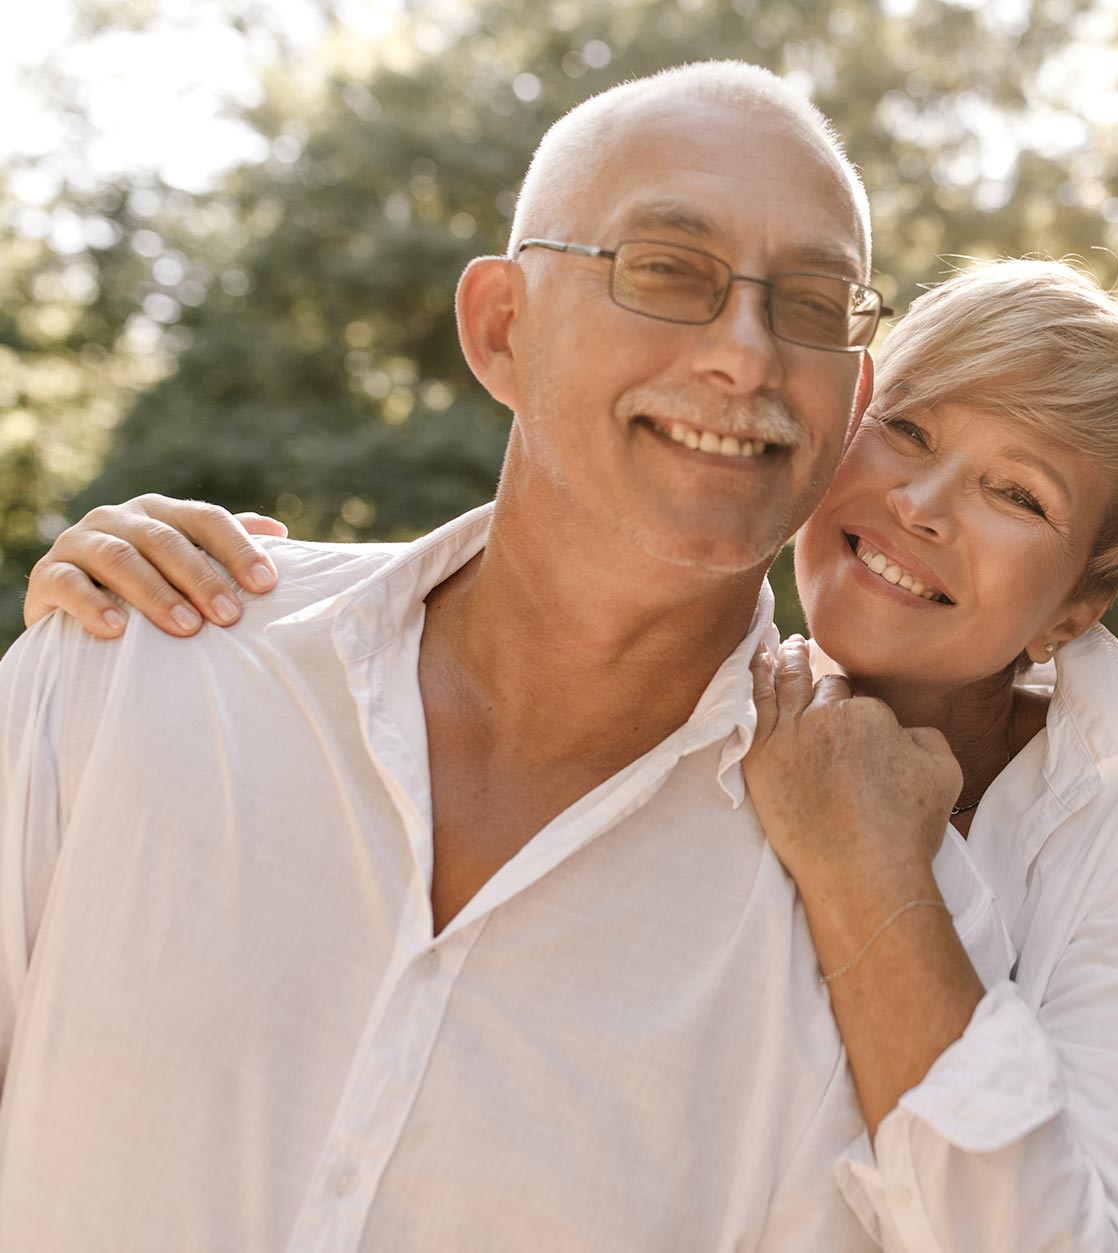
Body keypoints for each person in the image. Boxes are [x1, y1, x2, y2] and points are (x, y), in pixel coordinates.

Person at [27, 259, 1118, 1249]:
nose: (923, 500)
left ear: (1070, 614)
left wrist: (875, 878)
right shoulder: (702, 710)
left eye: (1019, 495)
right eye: (909, 428)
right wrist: (179, 600)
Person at [0, 61, 891, 1251]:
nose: (745, 355)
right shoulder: (131, 666)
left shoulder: (863, 917)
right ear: (500, 328)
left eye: (815, 302)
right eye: (668, 270)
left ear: (854, 395)